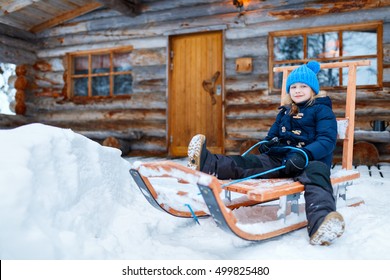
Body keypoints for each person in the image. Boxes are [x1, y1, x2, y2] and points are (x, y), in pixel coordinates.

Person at [187, 60, 344, 246]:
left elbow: (326, 140)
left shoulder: (322, 111)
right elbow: (273, 133)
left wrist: (305, 154)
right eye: (293, 86)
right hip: (281, 160)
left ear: (313, 90)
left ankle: (321, 224)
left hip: (311, 161)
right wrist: (269, 143)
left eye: (303, 86)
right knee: (250, 163)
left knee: (317, 179)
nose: (298, 90)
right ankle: (207, 162)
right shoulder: (285, 111)